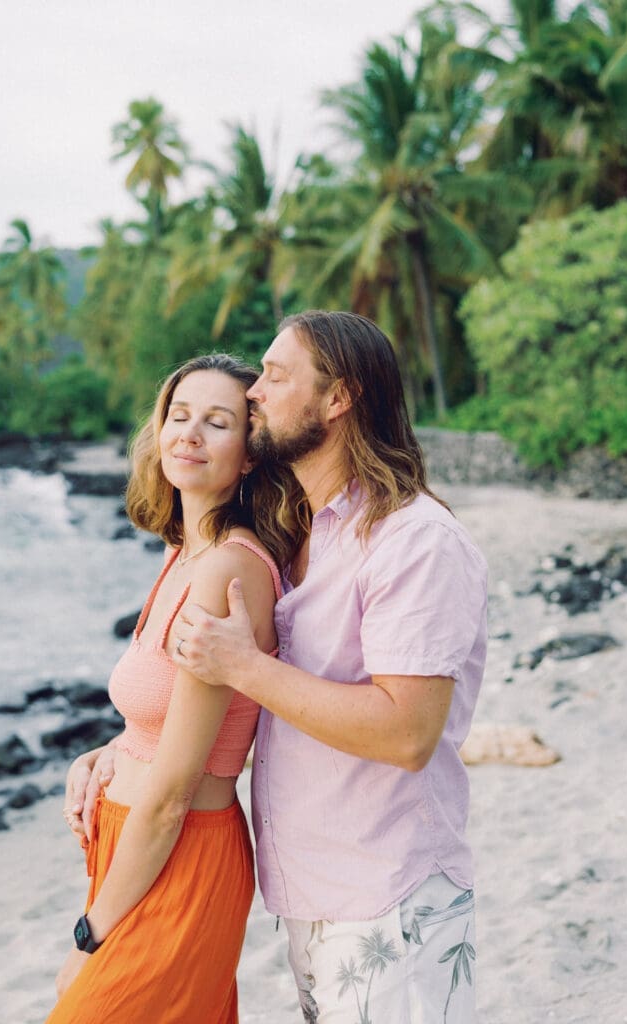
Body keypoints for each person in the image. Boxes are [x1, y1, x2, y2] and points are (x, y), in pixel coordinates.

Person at [174, 312, 489, 1023]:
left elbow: (407, 732)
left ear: (338, 398)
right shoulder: (305, 534)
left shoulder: (414, 542)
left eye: (277, 376)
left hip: (389, 892)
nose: (254, 391)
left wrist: (242, 665)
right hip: (314, 891)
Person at [46, 353, 306, 1024]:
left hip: (178, 850)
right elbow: (168, 718)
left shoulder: (225, 568)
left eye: (216, 422)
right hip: (132, 847)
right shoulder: (183, 552)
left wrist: (89, 937)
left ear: (249, 454)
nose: (188, 434)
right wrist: (110, 752)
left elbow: (172, 791)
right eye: (178, 415)